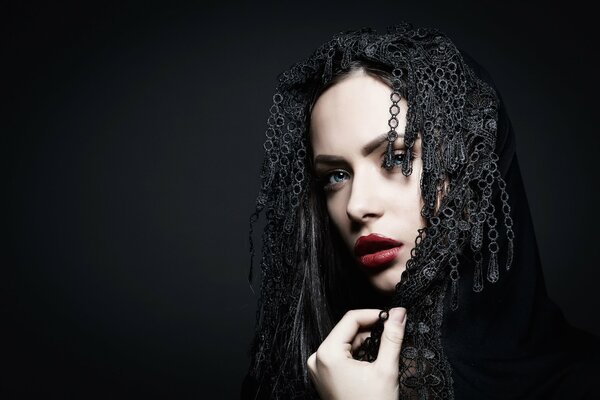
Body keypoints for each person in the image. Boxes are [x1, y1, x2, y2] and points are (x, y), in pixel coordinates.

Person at [241, 22, 600, 399]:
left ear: (470, 164)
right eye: (336, 175)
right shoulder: (295, 376)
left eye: (396, 158)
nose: (356, 206)